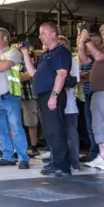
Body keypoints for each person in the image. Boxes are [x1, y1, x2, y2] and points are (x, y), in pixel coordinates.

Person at [21, 23, 71, 176]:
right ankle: (55, 162)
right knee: (49, 132)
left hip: (52, 95)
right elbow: (33, 73)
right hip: (43, 96)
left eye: (43, 33)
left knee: (56, 131)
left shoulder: (60, 51)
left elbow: (61, 74)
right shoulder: (46, 54)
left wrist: (54, 96)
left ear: (54, 34)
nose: (40, 36)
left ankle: (62, 167)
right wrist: (24, 53)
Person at [0, 28, 30, 169]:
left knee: (16, 127)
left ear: (5, 38)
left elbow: (6, 65)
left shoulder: (13, 53)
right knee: (1, 129)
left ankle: (23, 158)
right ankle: (7, 156)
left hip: (10, 97)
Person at [78, 18, 104, 171]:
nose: (103, 25)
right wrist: (81, 43)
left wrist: (88, 39)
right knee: (98, 125)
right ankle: (102, 156)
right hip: (97, 90)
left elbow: (100, 57)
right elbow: (84, 60)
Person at [56, 35, 81, 171]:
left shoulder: (72, 62)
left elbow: (72, 82)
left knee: (71, 133)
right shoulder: (51, 62)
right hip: (55, 105)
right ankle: (61, 160)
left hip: (69, 104)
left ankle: (75, 162)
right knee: (58, 134)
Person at [79, 32, 102, 162]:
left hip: (97, 93)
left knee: (98, 124)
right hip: (87, 93)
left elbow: (89, 76)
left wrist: (85, 75)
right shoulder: (88, 59)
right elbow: (82, 76)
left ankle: (98, 152)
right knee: (90, 125)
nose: (88, 47)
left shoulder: (99, 59)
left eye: (91, 43)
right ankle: (94, 151)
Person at [19, 52, 40, 156]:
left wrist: (24, 75)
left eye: (32, 57)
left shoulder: (37, 66)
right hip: (20, 97)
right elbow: (21, 77)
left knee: (32, 123)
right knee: (20, 123)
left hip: (31, 97)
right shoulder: (19, 67)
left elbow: (26, 76)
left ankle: (34, 146)